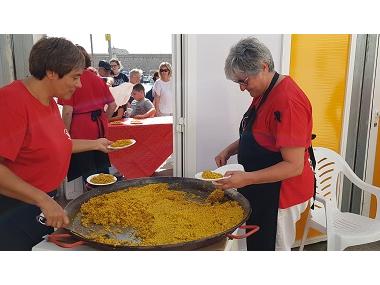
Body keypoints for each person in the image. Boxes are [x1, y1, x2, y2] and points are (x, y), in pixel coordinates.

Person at [0, 37, 113, 250]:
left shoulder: (49, 100)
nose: (79, 85)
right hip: (13, 208)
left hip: (39, 204)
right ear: (51, 72)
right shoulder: (11, 101)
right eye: (75, 77)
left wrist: (96, 144)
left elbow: (59, 144)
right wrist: (42, 199)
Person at [215, 37, 314, 251]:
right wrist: (230, 149)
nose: (242, 88)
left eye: (244, 81)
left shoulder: (288, 102)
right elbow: (258, 132)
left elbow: (294, 166)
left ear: (264, 67)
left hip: (281, 196)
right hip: (261, 187)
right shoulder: (264, 91)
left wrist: (247, 178)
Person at [59, 46, 117, 182]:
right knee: (103, 169)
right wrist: (105, 120)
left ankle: (93, 199)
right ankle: (107, 197)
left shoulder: (71, 80)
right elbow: (113, 105)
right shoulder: (98, 79)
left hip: (81, 130)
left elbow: (67, 112)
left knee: (89, 173)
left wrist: (64, 134)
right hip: (100, 128)